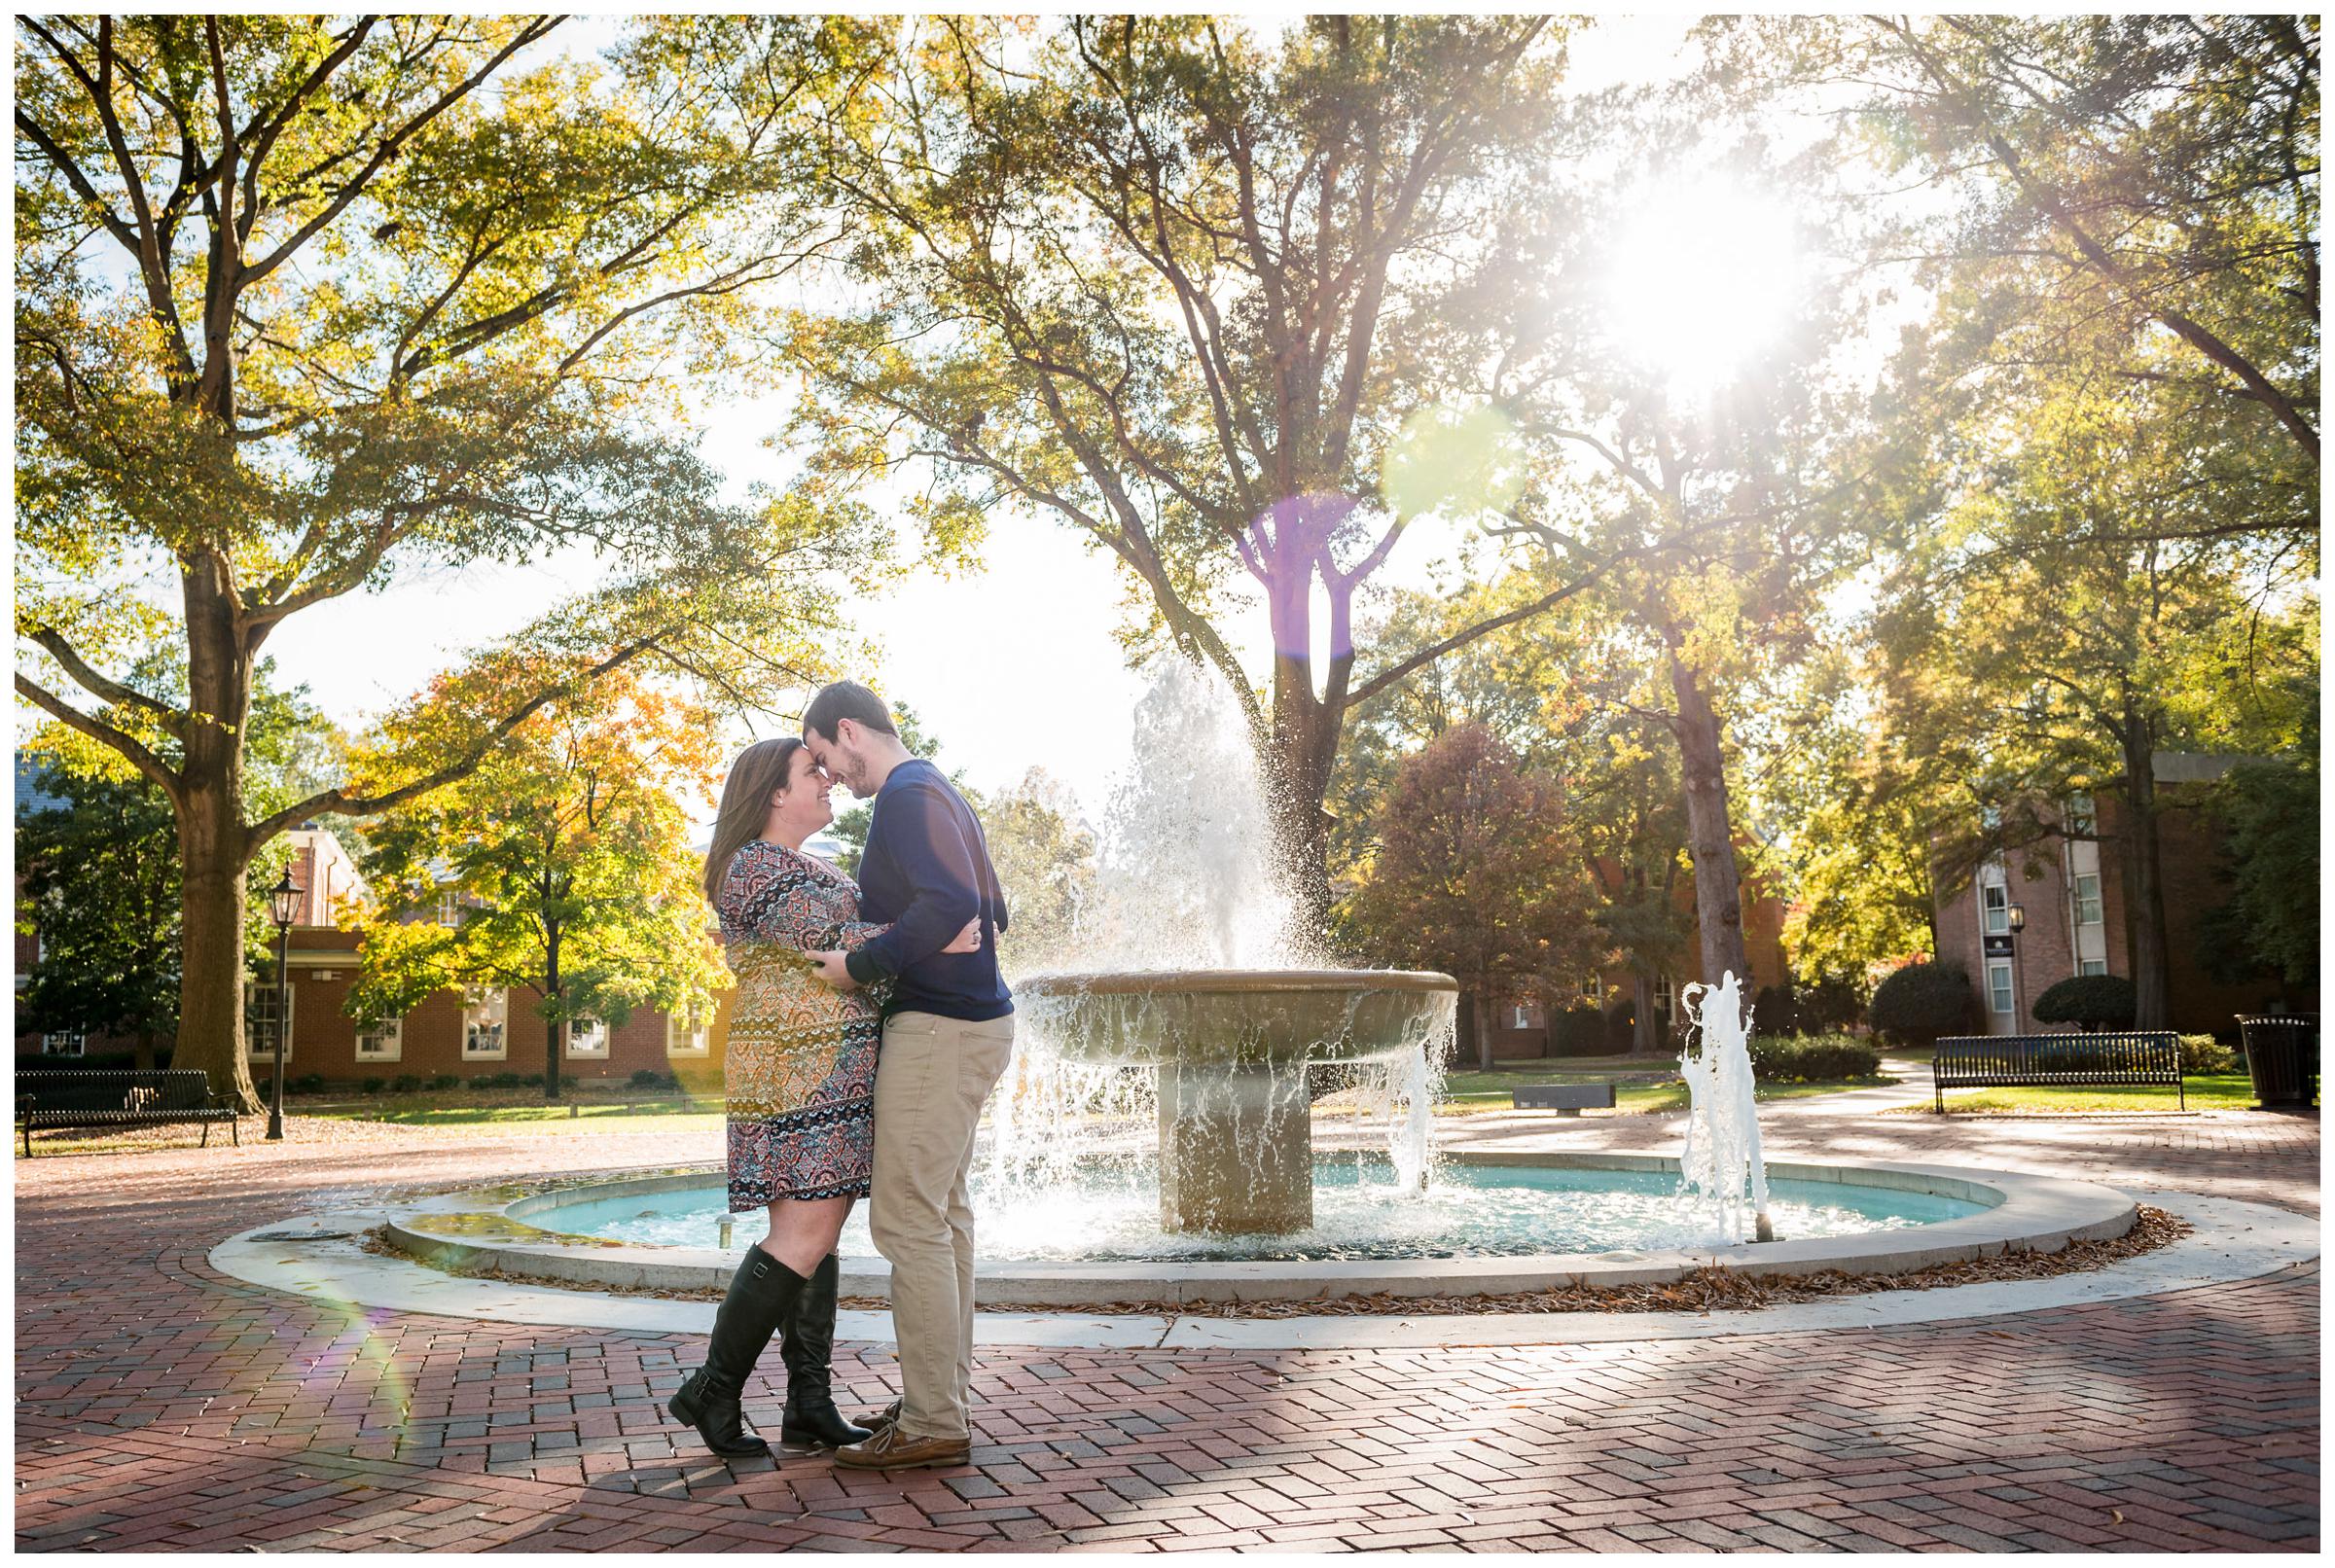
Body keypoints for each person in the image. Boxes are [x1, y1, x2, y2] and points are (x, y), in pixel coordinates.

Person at [669, 736, 982, 1459]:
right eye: (811, 772)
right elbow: (829, 940)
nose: (828, 779)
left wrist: (923, 931)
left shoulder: (811, 863)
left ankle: (808, 1403)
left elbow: (856, 941)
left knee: (819, 1236)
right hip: (795, 1071)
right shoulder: (751, 865)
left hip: (831, 1067)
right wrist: (935, 933)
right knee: (802, 1236)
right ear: (774, 793)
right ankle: (712, 1391)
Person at [801, 681, 1014, 1471]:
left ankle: (932, 1421)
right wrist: (949, 929)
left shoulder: (901, 794)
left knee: (905, 1220)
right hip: (973, 1021)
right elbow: (990, 902)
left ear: (849, 730)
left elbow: (958, 897)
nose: (831, 775)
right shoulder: (937, 786)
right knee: (944, 1216)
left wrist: (861, 963)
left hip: (940, 1029)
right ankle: (939, 1398)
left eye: (825, 755)